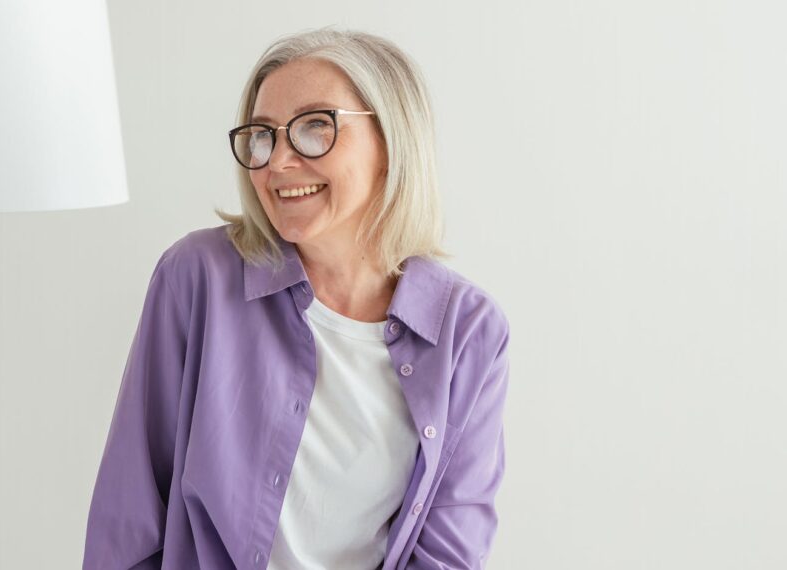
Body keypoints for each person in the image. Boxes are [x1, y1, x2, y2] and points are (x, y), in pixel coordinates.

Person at [84, 27, 511, 570]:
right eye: (263, 135)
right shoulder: (197, 279)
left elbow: (450, 548)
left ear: (391, 141)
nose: (278, 162)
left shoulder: (468, 330)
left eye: (315, 127)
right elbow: (128, 515)